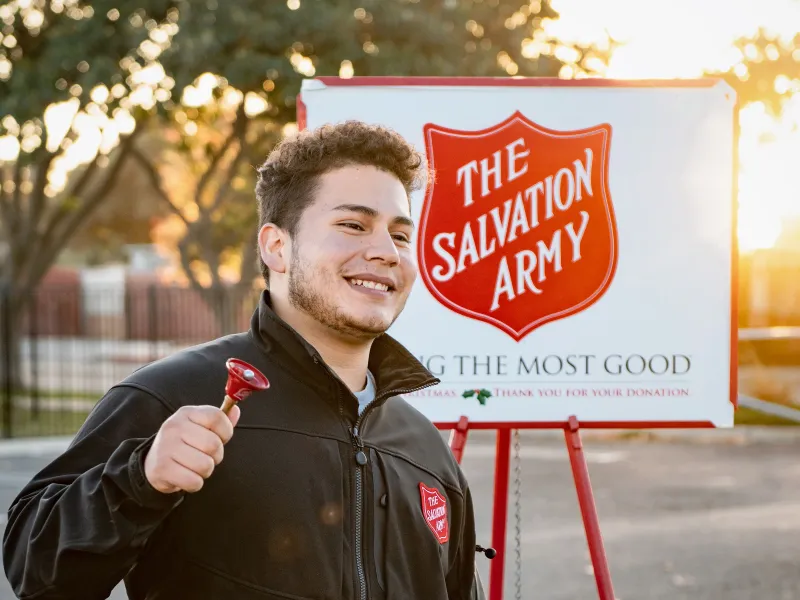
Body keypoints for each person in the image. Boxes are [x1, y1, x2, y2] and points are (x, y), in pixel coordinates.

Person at [3, 120, 485, 599]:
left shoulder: (426, 451)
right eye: (353, 225)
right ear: (277, 246)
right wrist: (139, 479)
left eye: (400, 236)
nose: (384, 251)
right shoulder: (172, 397)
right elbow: (35, 571)